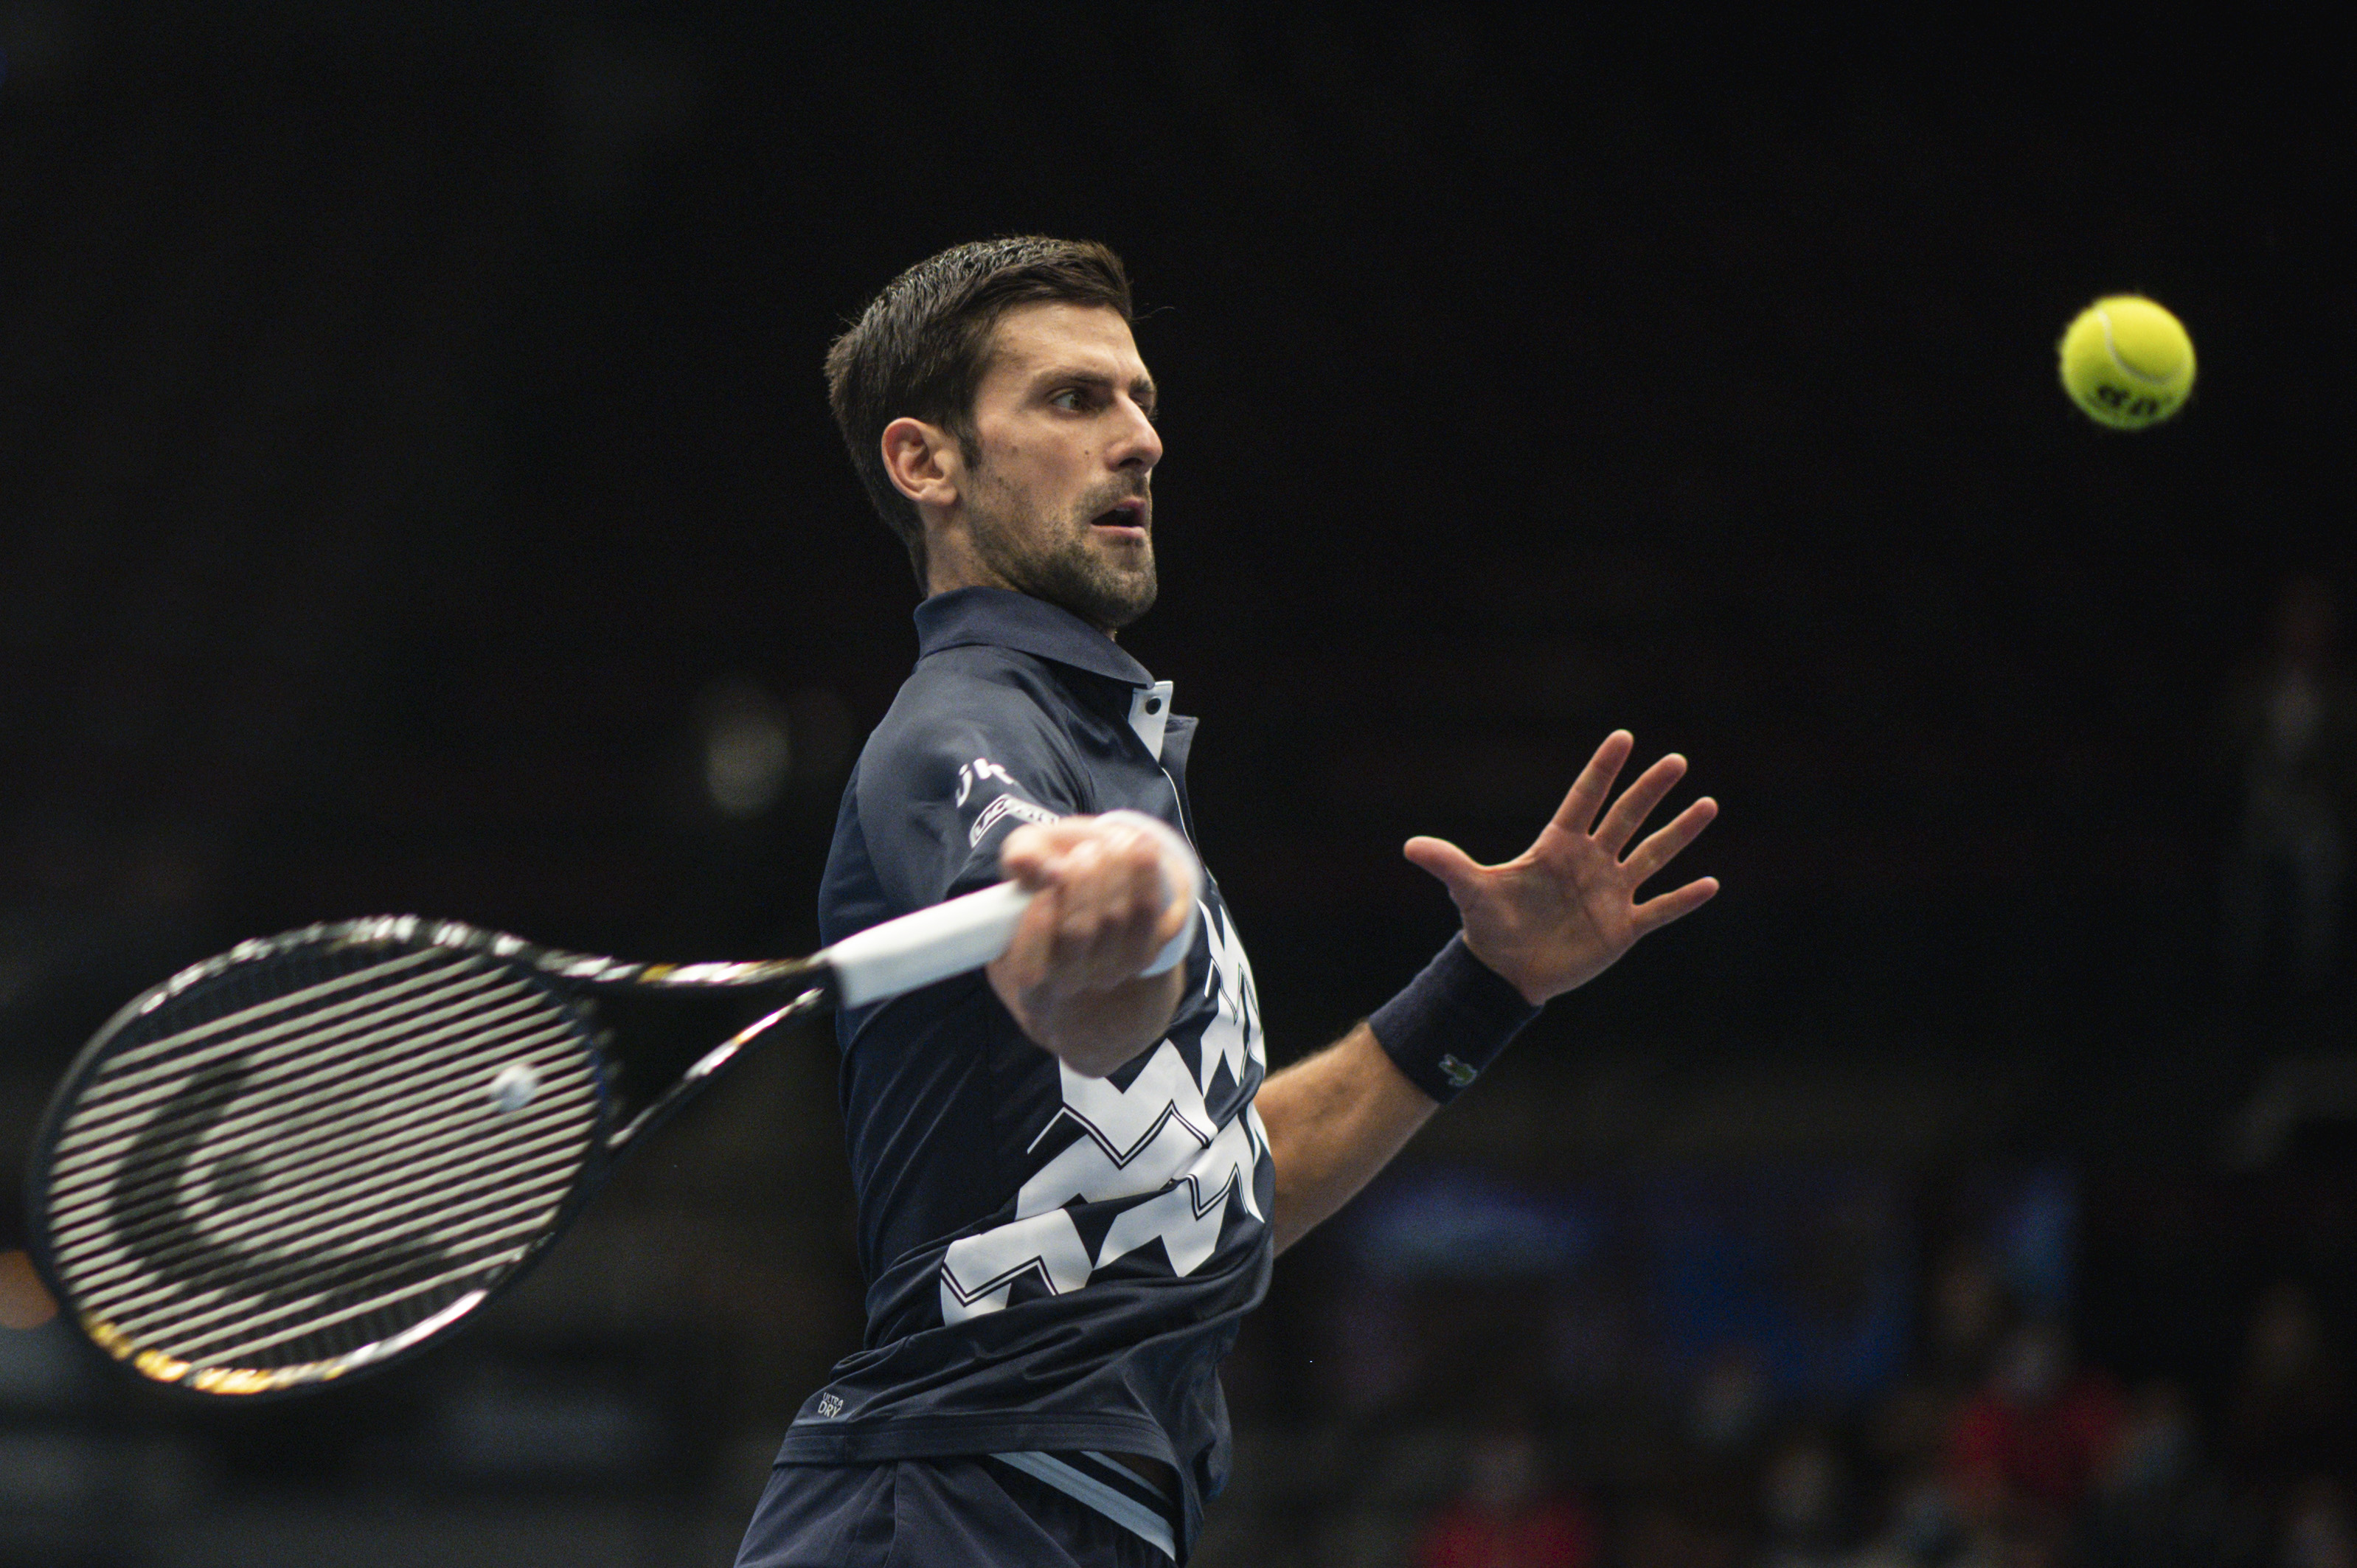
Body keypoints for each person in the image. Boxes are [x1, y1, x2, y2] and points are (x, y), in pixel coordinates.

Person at [733, 237, 1719, 1567]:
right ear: (930, 463)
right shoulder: (956, 737)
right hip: (947, 1507)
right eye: (1075, 400)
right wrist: (1108, 936)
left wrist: (1486, 986)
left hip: (1068, 1509)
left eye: (1141, 399)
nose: (1140, 439)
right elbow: (1065, 978)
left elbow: (1211, 1190)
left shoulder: (1102, 749)